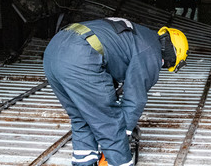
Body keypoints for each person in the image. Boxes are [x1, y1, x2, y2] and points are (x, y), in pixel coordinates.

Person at [43, 17, 189, 166]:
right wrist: (124, 132)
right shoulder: (151, 50)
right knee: (111, 124)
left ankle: (84, 162)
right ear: (173, 53)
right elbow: (135, 99)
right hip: (81, 55)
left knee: (82, 117)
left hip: (54, 51)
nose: (162, 66)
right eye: (167, 64)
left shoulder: (139, 36)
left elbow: (108, 75)